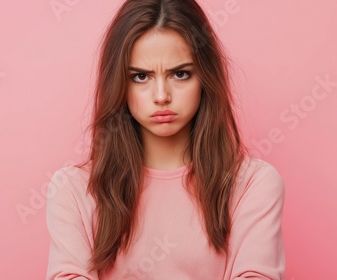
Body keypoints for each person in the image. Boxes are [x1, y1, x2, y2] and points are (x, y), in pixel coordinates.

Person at [45, 0, 285, 279]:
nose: (161, 95)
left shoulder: (253, 185)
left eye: (180, 74)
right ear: (119, 83)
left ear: (205, 78)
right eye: (141, 76)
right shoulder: (72, 191)